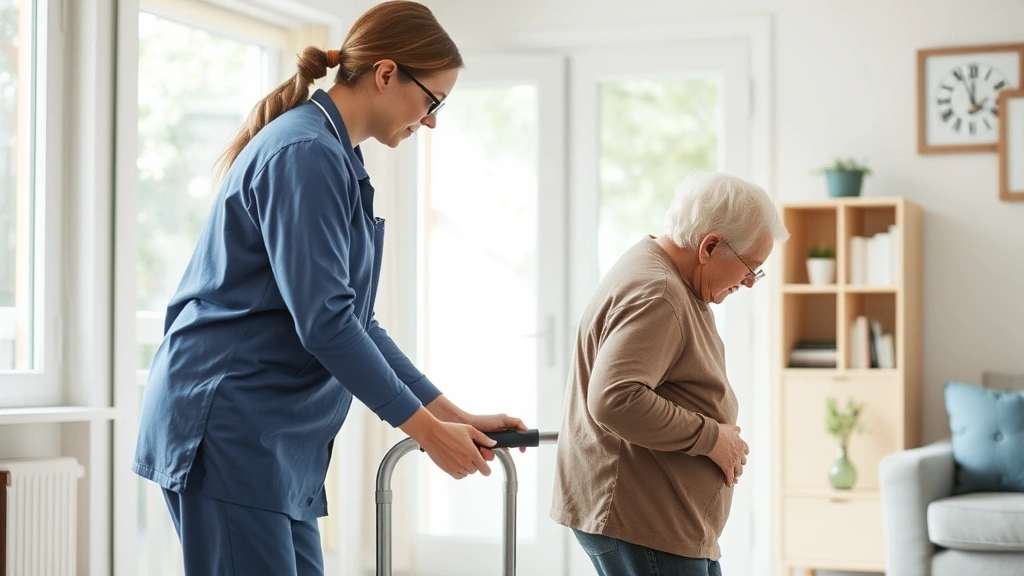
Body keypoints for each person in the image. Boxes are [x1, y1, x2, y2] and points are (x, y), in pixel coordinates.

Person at [133, 2, 526, 574]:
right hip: (230, 427)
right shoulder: (307, 153)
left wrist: (450, 415)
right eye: (433, 101)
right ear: (386, 73)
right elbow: (327, 325)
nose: (434, 120)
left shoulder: (338, 158)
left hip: (274, 441)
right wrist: (427, 434)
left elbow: (355, 320)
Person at [550, 171, 789, 576]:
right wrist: (710, 437)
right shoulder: (660, 292)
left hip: (661, 522)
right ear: (709, 246)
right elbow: (615, 398)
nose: (749, 283)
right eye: (751, 268)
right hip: (644, 521)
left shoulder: (665, 275)